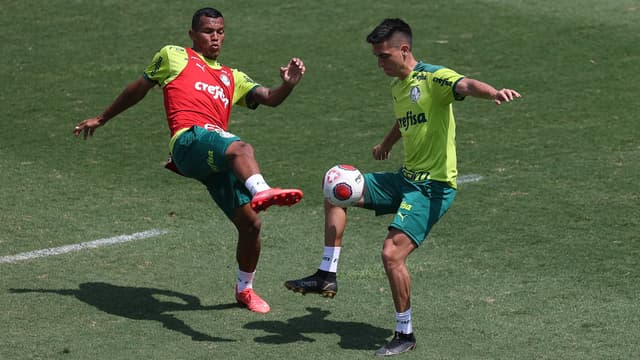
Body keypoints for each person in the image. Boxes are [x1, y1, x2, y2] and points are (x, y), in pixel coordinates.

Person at [284, 18, 521, 356]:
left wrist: (494, 93)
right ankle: (326, 273)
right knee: (336, 185)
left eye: (384, 56)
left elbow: (465, 84)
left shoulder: (433, 77)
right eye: (377, 57)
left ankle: (404, 332)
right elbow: (405, 117)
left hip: (433, 188)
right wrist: (386, 143)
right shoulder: (398, 85)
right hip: (406, 177)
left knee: (391, 254)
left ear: (404, 49)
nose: (379, 63)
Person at [73, 7, 306, 314]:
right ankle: (261, 189)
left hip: (212, 155)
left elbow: (270, 97)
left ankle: (245, 289)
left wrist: (287, 84)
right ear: (193, 34)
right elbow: (138, 89)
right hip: (187, 141)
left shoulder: (231, 76)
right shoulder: (173, 56)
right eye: (209, 31)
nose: (216, 38)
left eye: (220, 32)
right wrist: (102, 118)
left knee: (251, 225)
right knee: (240, 148)